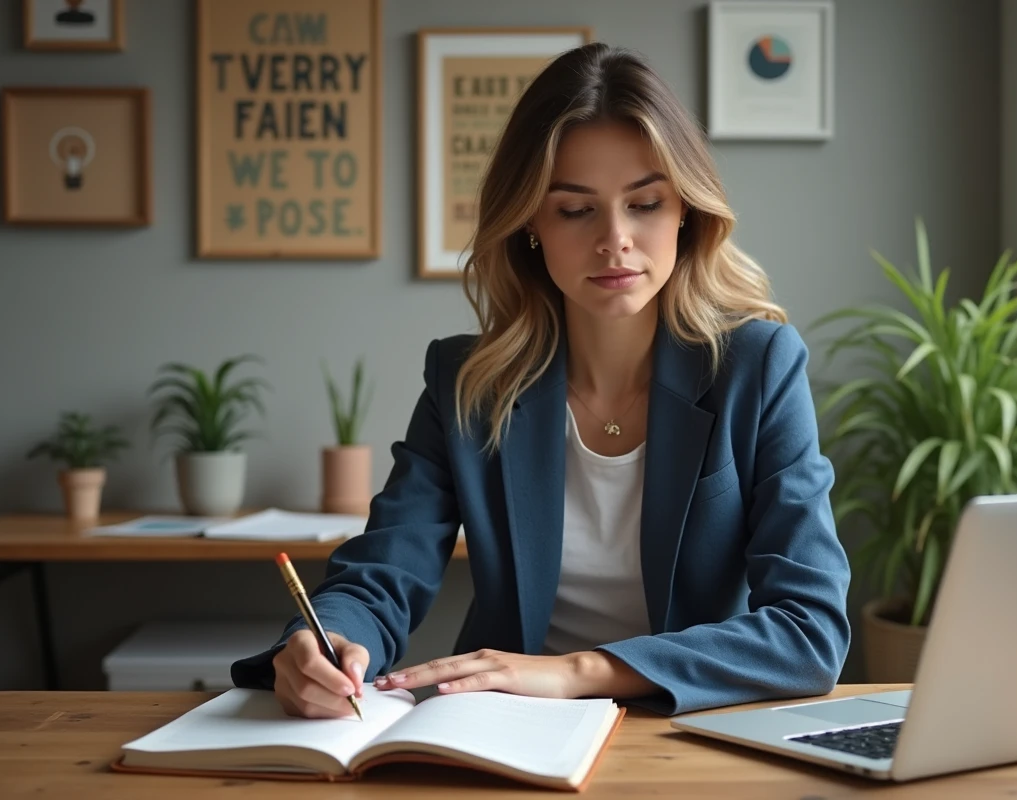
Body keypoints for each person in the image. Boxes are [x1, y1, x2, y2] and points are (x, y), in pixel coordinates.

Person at [231, 42, 851, 718]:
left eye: (645, 203)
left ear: (686, 210)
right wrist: (326, 642)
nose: (615, 239)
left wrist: (577, 671)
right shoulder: (466, 383)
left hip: (682, 728)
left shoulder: (758, 367)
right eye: (576, 210)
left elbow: (809, 631)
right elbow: (382, 575)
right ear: (531, 222)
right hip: (507, 730)